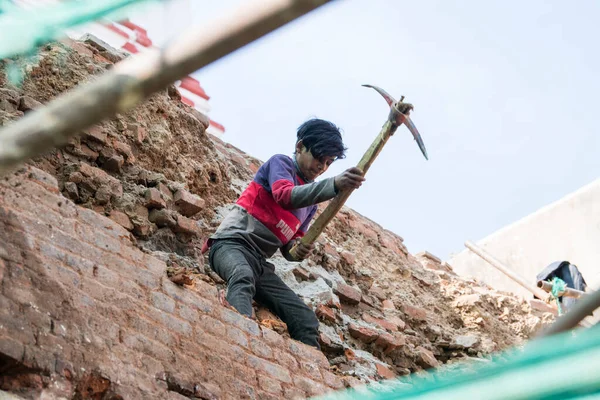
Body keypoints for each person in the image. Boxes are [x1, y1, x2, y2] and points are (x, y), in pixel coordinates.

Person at [204, 118, 364, 348]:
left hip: (259, 264)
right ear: (300, 147)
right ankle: (237, 340)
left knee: (305, 320)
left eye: (328, 163)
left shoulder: (310, 205)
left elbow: (289, 250)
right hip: (229, 245)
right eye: (319, 158)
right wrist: (334, 185)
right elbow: (285, 196)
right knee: (242, 276)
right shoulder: (281, 165)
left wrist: (300, 249)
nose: (322, 167)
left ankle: (310, 374)